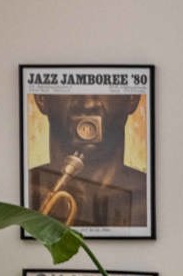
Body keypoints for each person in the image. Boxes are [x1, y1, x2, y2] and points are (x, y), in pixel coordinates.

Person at [25, 90, 148, 232]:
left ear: (132, 97)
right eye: (69, 86)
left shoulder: (148, 198)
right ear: (41, 98)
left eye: (105, 87)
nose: (88, 105)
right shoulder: (26, 192)